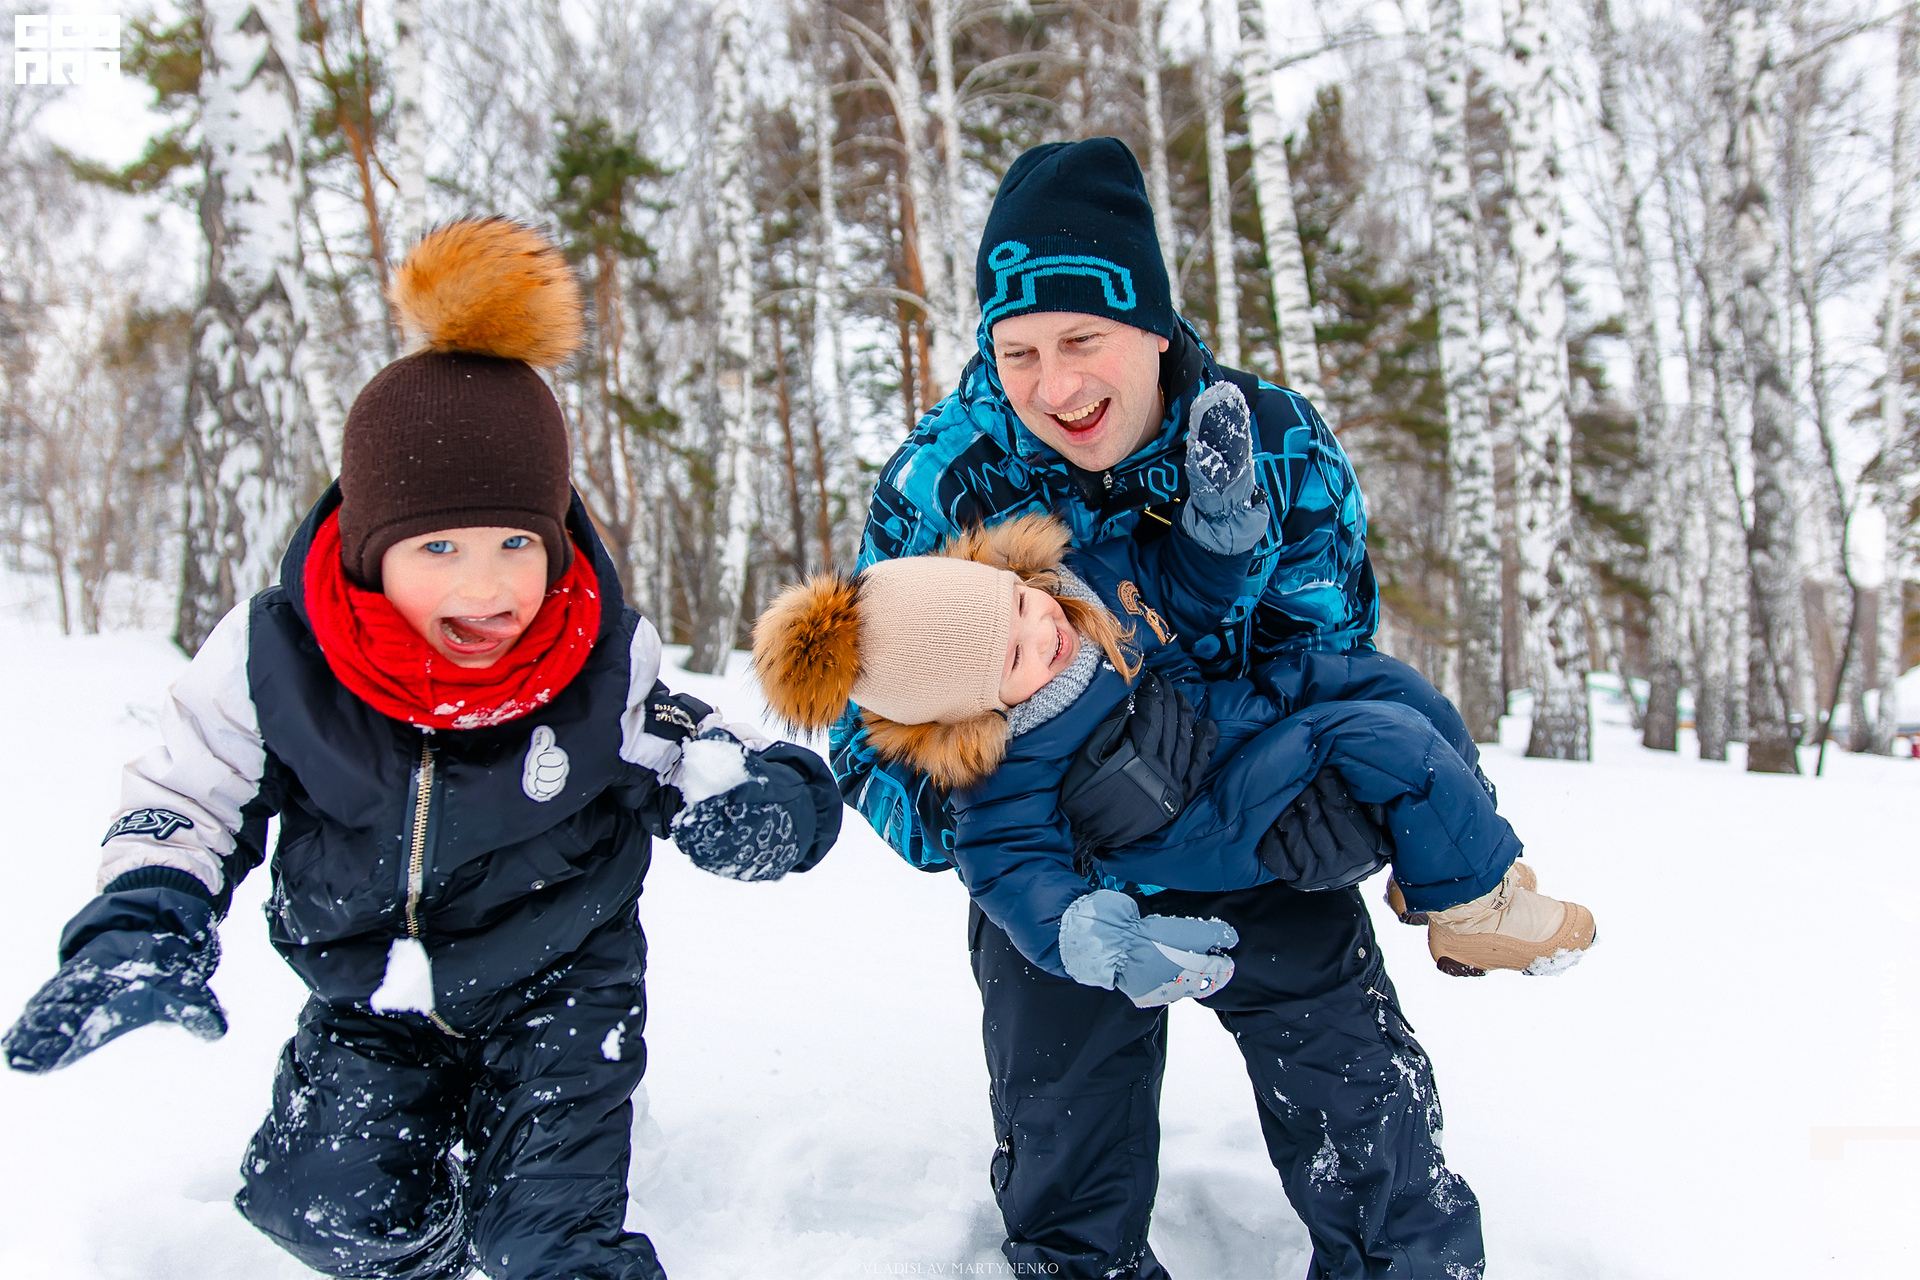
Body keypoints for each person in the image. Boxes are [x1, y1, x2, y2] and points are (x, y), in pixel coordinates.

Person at [1, 219, 844, 1280]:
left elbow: (708, 747)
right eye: (439, 547)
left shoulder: (595, 665)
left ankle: (525, 1220)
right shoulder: (277, 657)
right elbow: (190, 790)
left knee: (547, 1243)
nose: (484, 587)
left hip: (558, 988)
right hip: (376, 990)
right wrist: (142, 923)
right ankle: (436, 1245)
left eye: (514, 545)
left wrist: (770, 804)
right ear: (370, 548)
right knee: (323, 1211)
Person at [830, 137, 1487, 1278]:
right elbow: (863, 736)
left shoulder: (1271, 442)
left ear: (1153, 324)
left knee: (1369, 1126)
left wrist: (1348, 812)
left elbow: (1332, 657)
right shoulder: (946, 479)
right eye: (1019, 349)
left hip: (1256, 824)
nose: (1056, 384)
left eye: (1084, 339)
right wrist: (1019, 830)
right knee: (1065, 1160)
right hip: (1060, 872)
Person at [755, 496, 1596, 991]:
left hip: (1221, 722)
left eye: (1015, 603)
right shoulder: (1000, 770)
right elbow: (1010, 869)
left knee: (1381, 683)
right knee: (1379, 740)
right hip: (1206, 822)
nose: (1040, 630)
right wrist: (1089, 937)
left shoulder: (1077, 587)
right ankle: (1473, 918)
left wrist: (1218, 527)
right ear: (967, 708)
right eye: (1009, 657)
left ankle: (1446, 872)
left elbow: (1181, 583)